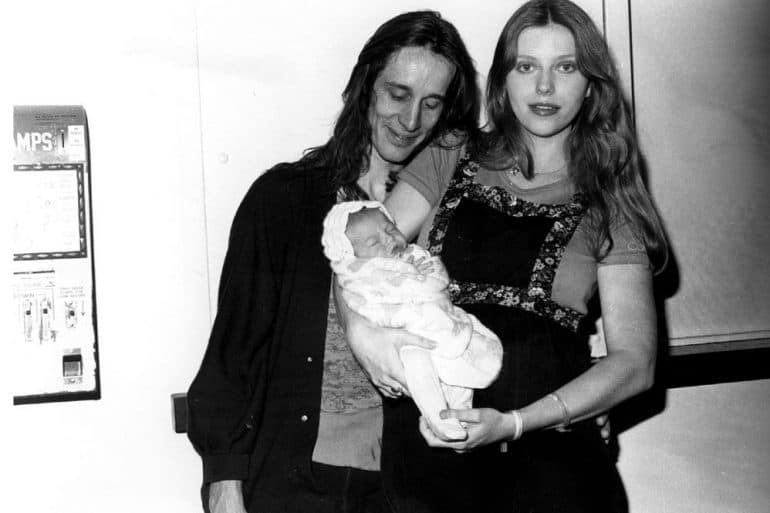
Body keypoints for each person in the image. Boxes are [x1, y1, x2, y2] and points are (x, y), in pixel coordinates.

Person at [345, 1, 669, 512]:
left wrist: (516, 422)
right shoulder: (449, 151)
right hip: (433, 453)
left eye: (565, 67)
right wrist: (363, 335)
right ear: (503, 79)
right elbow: (357, 263)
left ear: (591, 84)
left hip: (554, 465)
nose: (544, 88)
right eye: (526, 66)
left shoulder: (611, 198)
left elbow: (636, 362)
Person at [185, 10, 480, 513]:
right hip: (295, 485)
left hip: (413, 486)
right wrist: (224, 482)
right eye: (398, 94)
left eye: (431, 105)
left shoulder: (458, 210)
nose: (410, 122)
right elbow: (234, 354)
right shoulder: (284, 200)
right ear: (364, 86)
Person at [321, 201, 502, 441]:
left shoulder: (414, 255)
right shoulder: (361, 273)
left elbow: (437, 279)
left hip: (439, 323)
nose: (388, 239)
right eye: (374, 242)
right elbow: (363, 303)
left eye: (389, 229)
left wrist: (422, 272)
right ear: (352, 255)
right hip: (403, 338)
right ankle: (439, 417)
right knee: (418, 366)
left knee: (460, 374)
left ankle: (463, 415)